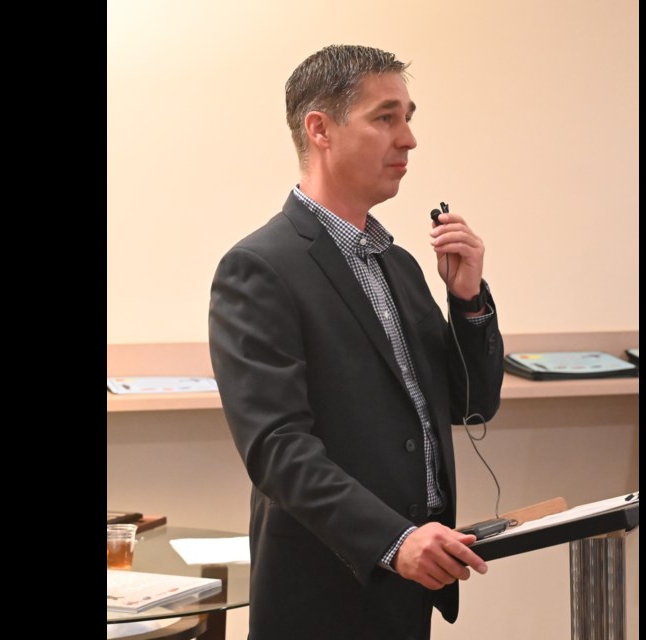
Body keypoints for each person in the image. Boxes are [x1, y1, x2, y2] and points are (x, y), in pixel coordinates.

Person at [208, 44, 505, 640]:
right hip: (324, 588)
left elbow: (468, 404)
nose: (409, 139)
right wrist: (393, 541)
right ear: (319, 128)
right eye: (386, 117)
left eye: (410, 116)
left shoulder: (397, 263)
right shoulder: (259, 268)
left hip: (411, 584)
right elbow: (277, 448)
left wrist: (468, 302)